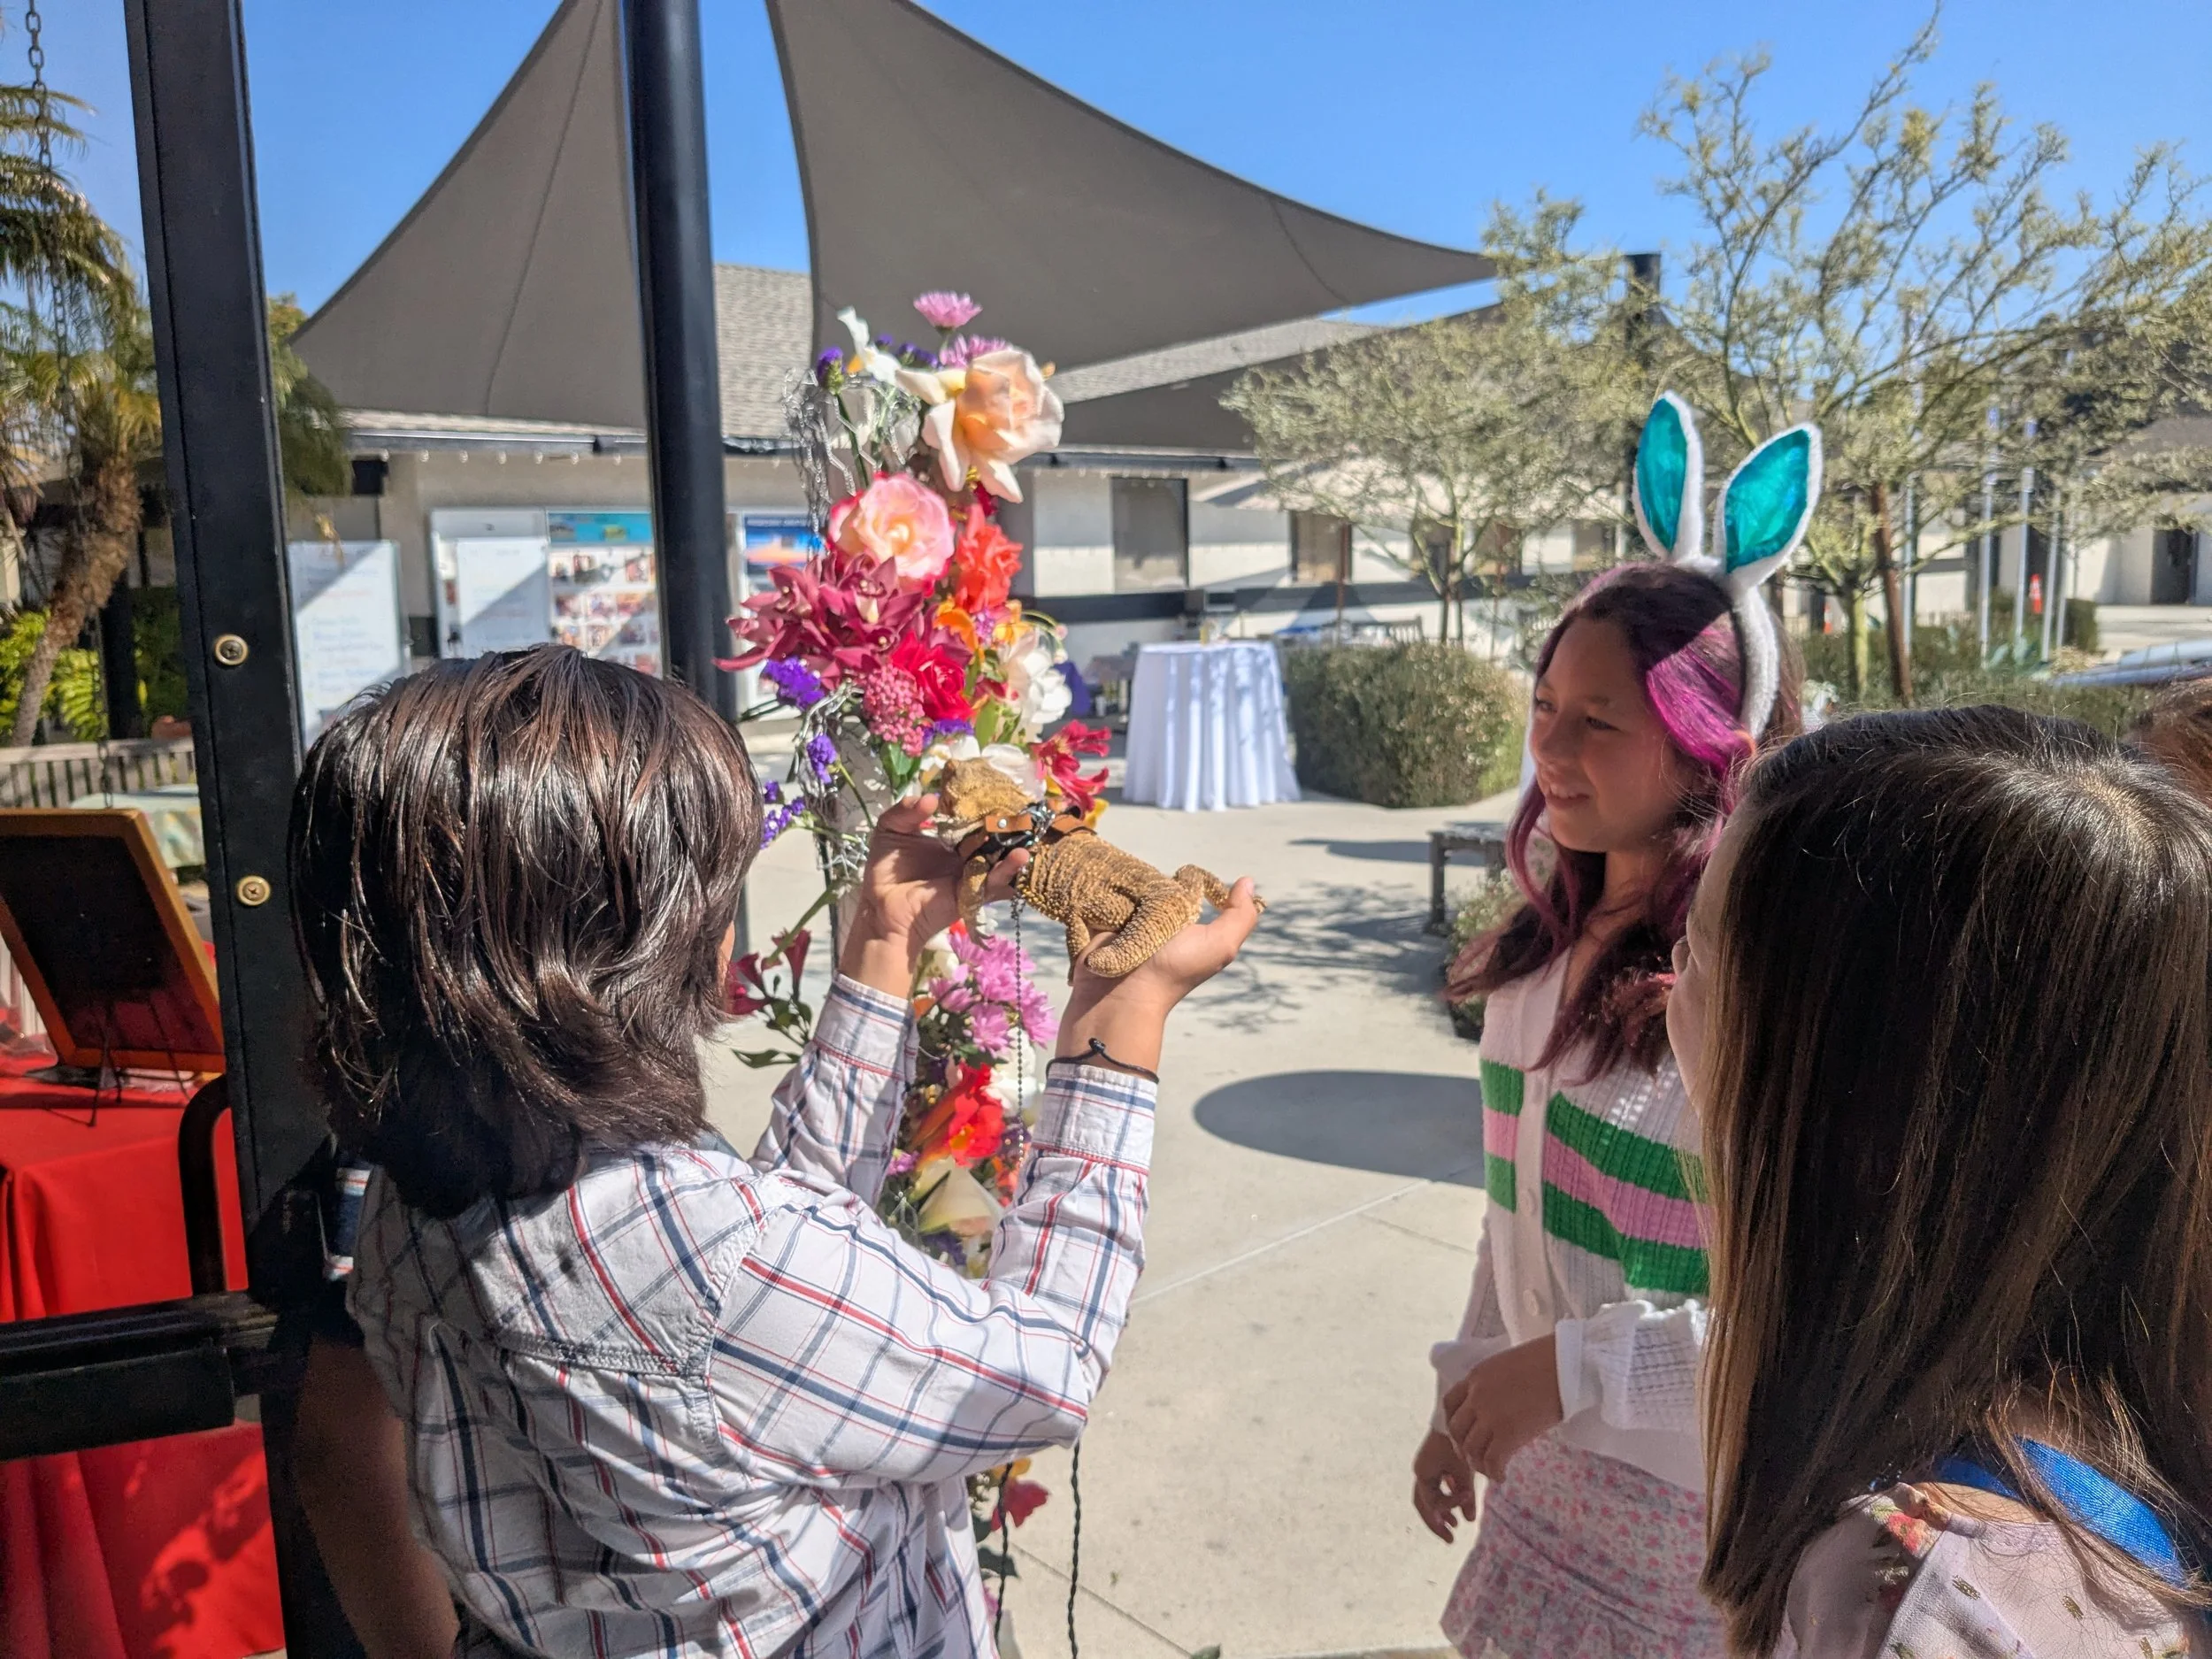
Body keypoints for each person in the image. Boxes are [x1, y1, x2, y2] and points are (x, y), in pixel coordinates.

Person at [287, 644, 1259, 1657]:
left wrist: (882, 947)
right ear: (635, 940)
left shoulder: (421, 1204)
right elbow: (1043, 1373)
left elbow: (771, 1279)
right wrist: (1116, 1021)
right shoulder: (720, 1257)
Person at [1670, 706, 2212, 1657]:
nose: (1670, 981)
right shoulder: (2114, 1474)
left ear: (1849, 1098)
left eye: (1705, 953)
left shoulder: (1904, 1600)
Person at [1419, 560, 1802, 1659]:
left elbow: (1789, 1320)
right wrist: (1468, 1387)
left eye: (1599, 721)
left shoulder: (1747, 998)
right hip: (1543, 1478)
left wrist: (1571, 1369)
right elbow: (1515, 1211)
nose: (1550, 750)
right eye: (1544, 707)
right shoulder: (1538, 956)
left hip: (1691, 1527)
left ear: (1703, 739)